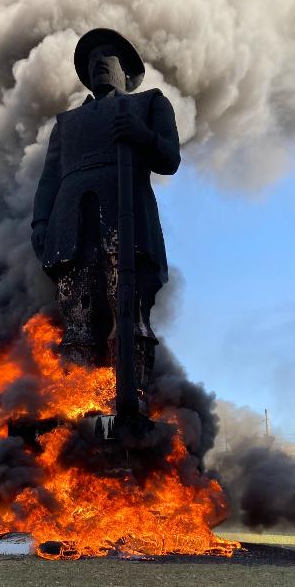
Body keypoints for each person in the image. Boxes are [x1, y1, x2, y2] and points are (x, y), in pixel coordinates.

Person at [31, 28, 180, 396]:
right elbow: (49, 178)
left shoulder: (149, 103)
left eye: (107, 55)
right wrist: (40, 220)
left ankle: (133, 397)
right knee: (77, 319)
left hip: (126, 219)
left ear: (126, 72)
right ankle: (80, 399)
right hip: (71, 224)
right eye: (91, 58)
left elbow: (169, 158)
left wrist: (142, 135)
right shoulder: (65, 124)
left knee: (128, 313)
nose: (98, 62)